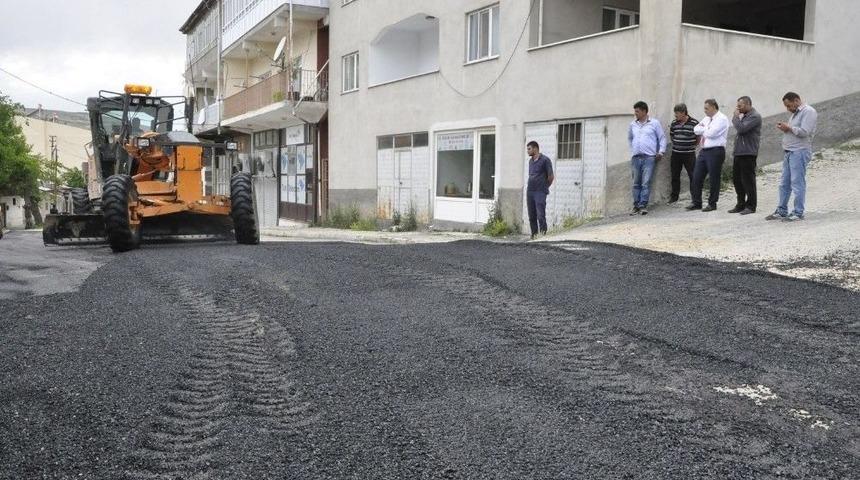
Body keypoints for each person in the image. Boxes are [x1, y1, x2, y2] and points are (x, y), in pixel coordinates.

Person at [766, 92, 818, 221]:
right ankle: (782, 210)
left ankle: (798, 212)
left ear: (796, 100)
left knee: (797, 182)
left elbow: (805, 132)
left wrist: (788, 128)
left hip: (799, 152)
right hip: (789, 152)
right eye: (786, 106)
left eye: (789, 106)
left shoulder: (809, 111)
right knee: (784, 183)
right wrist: (786, 128)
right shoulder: (795, 114)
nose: (788, 109)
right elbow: (794, 130)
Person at [687, 99, 729, 212]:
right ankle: (697, 202)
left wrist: (704, 129)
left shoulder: (722, 119)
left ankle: (712, 203)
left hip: (716, 150)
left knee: (714, 178)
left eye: (706, 108)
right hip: (704, 150)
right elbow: (696, 129)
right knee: (696, 176)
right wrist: (706, 129)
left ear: (713, 107)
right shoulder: (706, 119)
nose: (704, 110)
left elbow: (712, 133)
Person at [627, 101, 667, 215]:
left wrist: (661, 152)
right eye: (635, 111)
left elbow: (662, 138)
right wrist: (632, 150)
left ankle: (643, 205)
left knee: (645, 182)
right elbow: (630, 138)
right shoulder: (632, 124)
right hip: (635, 158)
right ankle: (636, 206)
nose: (635, 114)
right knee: (636, 183)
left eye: (637, 111)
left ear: (644, 111)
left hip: (649, 158)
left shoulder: (654, 123)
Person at [729, 96, 762, 214]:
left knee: (748, 180)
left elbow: (742, 129)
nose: (738, 108)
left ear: (748, 104)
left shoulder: (755, 116)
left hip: (748, 152)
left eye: (740, 105)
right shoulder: (744, 116)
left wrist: (735, 117)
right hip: (739, 152)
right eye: (737, 105)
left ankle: (751, 206)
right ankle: (741, 204)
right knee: (737, 180)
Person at [668, 103, 699, 204]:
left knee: (693, 175)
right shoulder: (674, 123)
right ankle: (674, 197)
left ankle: (695, 197)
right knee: (675, 176)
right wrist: (678, 144)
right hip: (676, 154)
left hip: (689, 154)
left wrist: (691, 145)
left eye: (677, 113)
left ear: (683, 113)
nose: (675, 116)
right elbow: (672, 136)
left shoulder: (694, 123)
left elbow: (698, 138)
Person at [525, 141, 554, 238]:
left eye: (529, 149)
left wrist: (544, 187)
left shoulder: (545, 160)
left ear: (535, 148)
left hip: (540, 192)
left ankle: (543, 235)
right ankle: (534, 235)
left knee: (540, 215)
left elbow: (551, 177)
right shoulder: (531, 161)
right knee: (531, 215)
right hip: (530, 191)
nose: (527, 151)